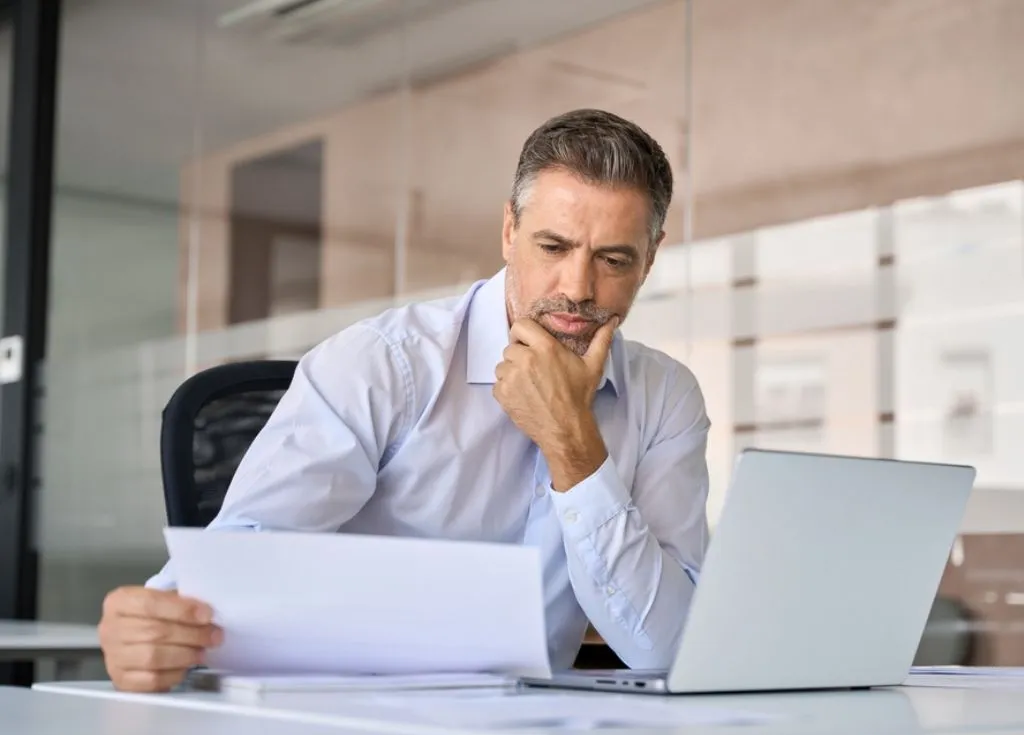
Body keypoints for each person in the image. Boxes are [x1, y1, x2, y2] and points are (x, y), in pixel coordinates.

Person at [98, 108, 711, 693]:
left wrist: (570, 442)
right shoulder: (384, 364)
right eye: (553, 248)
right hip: (349, 721)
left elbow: (667, 647)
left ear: (649, 258)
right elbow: (236, 565)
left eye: (613, 259)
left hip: (535, 731)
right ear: (509, 232)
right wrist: (152, 631)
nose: (577, 288)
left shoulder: (664, 398)